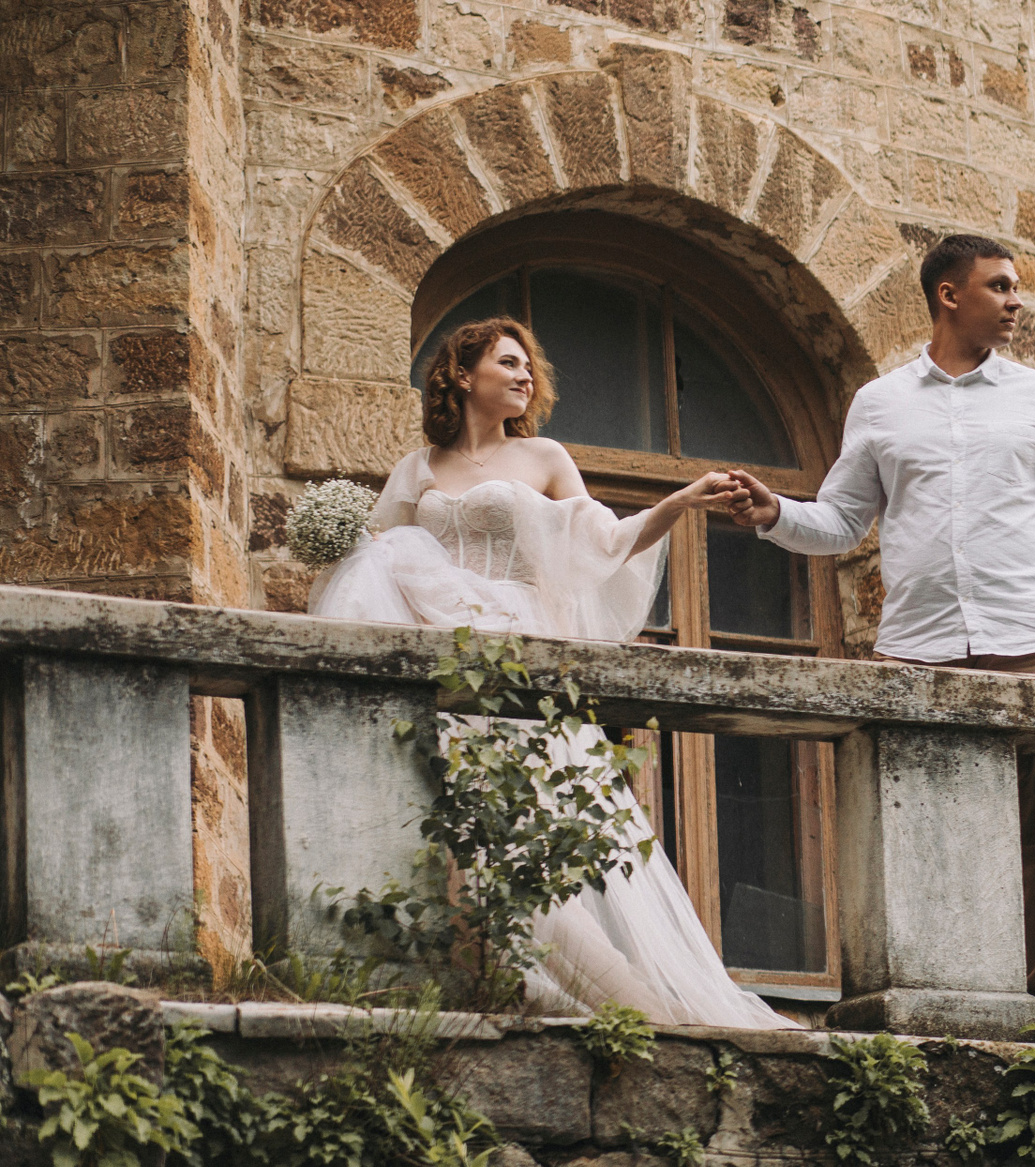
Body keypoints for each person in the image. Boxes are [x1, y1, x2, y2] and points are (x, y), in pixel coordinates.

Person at [308, 316, 798, 1030]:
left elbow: (603, 542)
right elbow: (376, 560)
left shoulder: (543, 456)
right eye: (507, 362)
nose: (524, 375)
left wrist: (679, 501)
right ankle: (501, 977)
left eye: (527, 366)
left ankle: (630, 1004)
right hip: (445, 657)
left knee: (521, 826)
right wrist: (328, 536)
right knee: (457, 827)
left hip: (518, 653)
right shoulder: (418, 469)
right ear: (462, 374)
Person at [721, 233, 1035, 998]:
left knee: (1033, 838)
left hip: (1027, 648)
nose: (1016, 301)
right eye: (1000, 286)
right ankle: (929, 999)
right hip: (916, 654)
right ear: (950, 295)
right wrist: (775, 512)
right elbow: (842, 521)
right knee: (919, 832)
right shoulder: (880, 405)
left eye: (1015, 287)